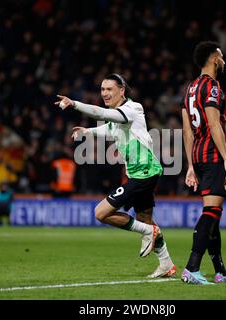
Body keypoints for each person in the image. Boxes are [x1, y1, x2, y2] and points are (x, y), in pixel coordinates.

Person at [55, 74, 176, 278]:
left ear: (122, 90)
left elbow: (104, 114)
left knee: (101, 213)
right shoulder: (118, 115)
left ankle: (148, 233)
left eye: (109, 89)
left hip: (144, 173)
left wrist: (74, 103)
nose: (104, 93)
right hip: (142, 173)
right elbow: (111, 129)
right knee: (145, 218)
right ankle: (166, 264)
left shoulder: (132, 109)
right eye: (102, 89)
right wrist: (88, 131)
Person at [181, 41, 226, 285]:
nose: (224, 61)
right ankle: (191, 268)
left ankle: (220, 271)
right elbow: (214, 124)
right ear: (214, 58)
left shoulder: (190, 88)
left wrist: (190, 165)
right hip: (213, 155)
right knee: (212, 212)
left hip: (198, 155)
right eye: (222, 56)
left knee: (213, 214)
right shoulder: (212, 86)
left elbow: (186, 131)